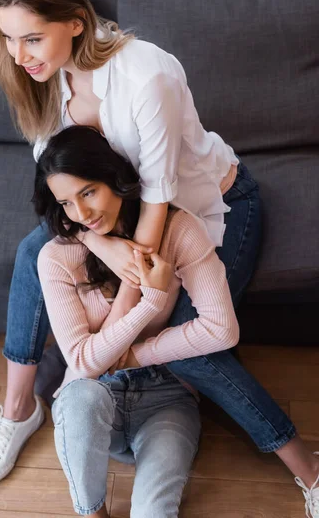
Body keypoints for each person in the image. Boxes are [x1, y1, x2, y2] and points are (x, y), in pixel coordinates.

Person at [0, 0, 319, 516]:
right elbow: (59, 179)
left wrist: (122, 337)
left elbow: (158, 198)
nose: (19, 55)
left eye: (32, 38)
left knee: (192, 345)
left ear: (77, 22)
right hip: (113, 219)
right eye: (9, 39)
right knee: (31, 250)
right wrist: (98, 243)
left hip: (201, 208)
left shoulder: (146, 75)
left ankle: (309, 470)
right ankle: (18, 410)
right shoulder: (42, 79)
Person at [33, 125, 240, 517]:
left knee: (154, 512)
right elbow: (84, 363)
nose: (82, 214)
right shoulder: (56, 258)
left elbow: (222, 328)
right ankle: (92, 512)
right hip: (93, 401)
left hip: (167, 398)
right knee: (79, 396)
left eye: (88, 192)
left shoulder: (179, 229)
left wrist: (135, 356)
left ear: (114, 177)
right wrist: (151, 301)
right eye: (67, 203)